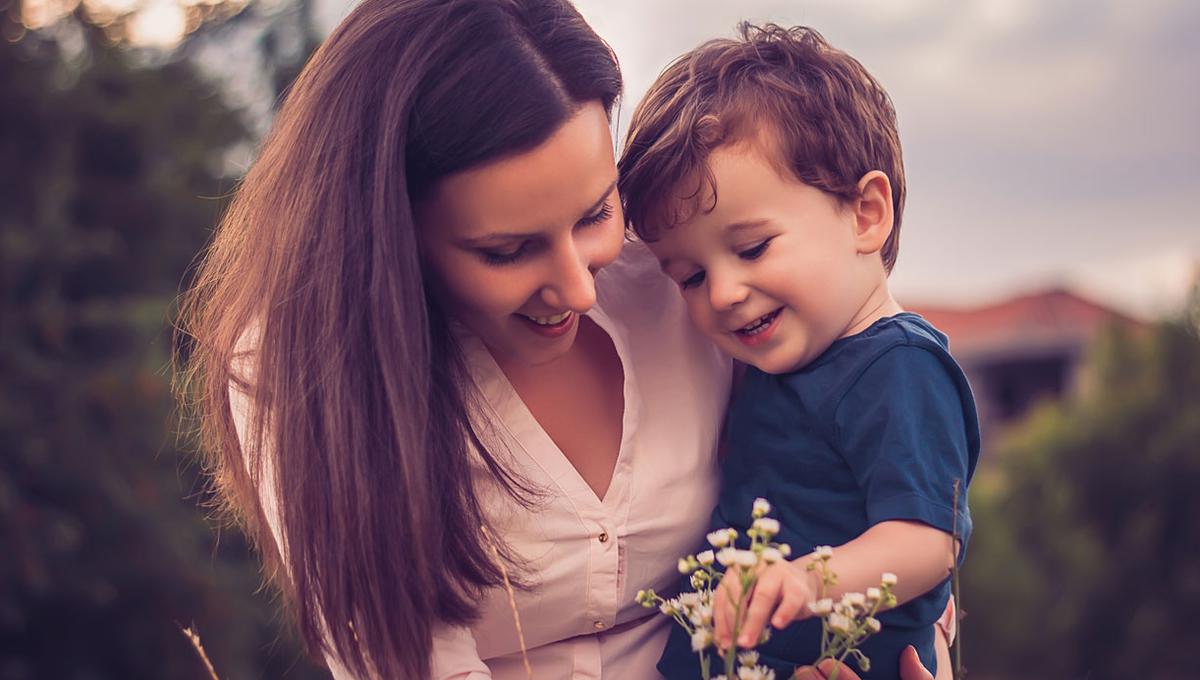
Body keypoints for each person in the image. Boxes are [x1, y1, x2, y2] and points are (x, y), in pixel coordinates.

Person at [176, 0, 950, 677]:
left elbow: (886, 492)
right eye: (507, 250)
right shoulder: (298, 375)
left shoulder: (689, 279)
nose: (581, 289)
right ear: (390, 238)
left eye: (595, 215)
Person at [618, 24, 978, 679]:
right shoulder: (772, 360)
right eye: (690, 277)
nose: (723, 293)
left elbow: (928, 540)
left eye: (752, 247)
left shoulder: (900, 367)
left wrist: (809, 581)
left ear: (867, 214)